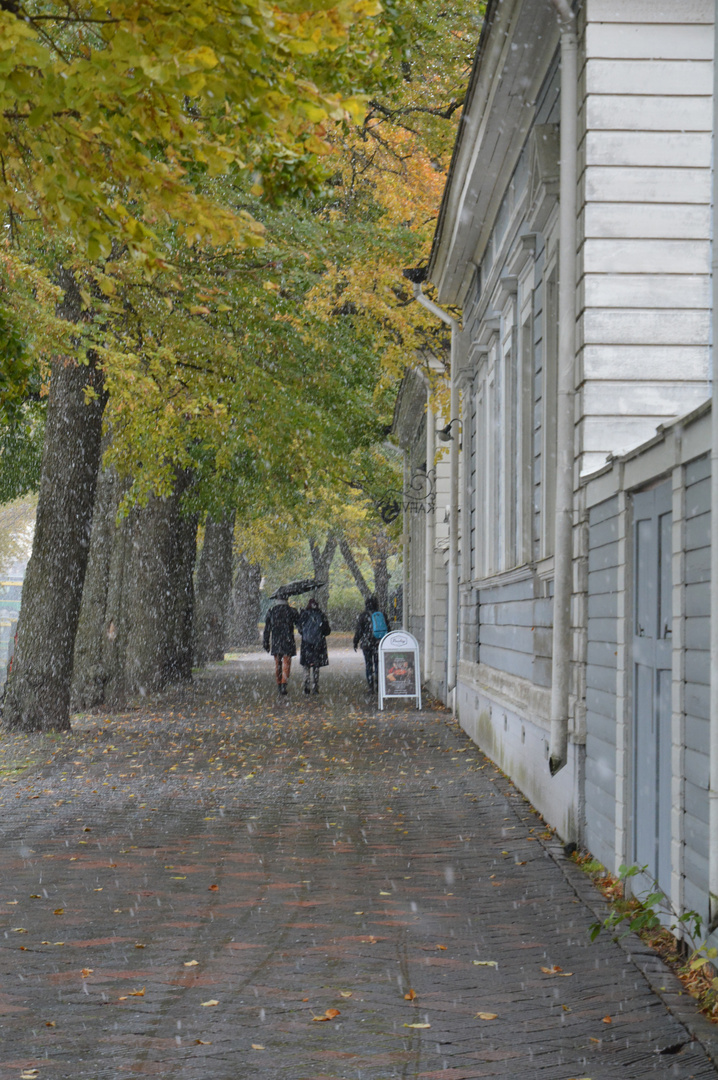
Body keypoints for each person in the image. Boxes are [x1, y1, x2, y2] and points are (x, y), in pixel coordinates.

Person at [353, 595, 389, 692]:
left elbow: (359, 631)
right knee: (378, 664)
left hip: (367, 644)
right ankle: (379, 684)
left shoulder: (363, 616)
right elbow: (388, 629)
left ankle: (370, 686)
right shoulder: (382, 615)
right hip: (379, 643)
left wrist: (355, 642)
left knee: (368, 664)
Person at [263, 596, 298, 695]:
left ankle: (279, 683)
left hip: (276, 640)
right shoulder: (291, 611)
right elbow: (299, 624)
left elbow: (267, 629)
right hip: (288, 640)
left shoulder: (272, 611)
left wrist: (266, 642)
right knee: (287, 662)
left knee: (278, 663)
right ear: (287, 600)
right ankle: (284, 684)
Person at [296, 597, 331, 694]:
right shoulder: (321, 615)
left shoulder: (304, 614)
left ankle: (306, 686)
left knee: (306, 665)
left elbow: (299, 629)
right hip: (318, 643)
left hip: (306, 643)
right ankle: (315, 687)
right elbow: (327, 631)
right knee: (316, 666)